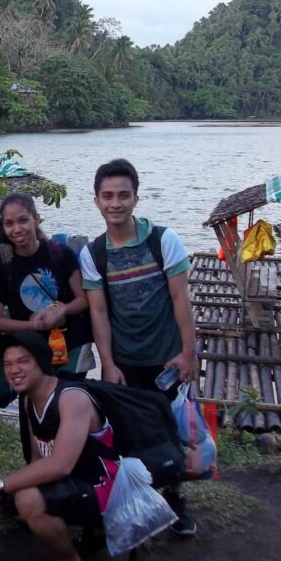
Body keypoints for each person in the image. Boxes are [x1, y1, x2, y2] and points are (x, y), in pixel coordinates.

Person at [78, 158, 198, 536]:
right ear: (96, 201)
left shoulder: (163, 240)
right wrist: (108, 363)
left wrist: (188, 352)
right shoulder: (94, 254)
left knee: (173, 431)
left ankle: (176, 498)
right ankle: (136, 499)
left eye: (123, 195)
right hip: (124, 361)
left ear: (136, 198)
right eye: (108, 196)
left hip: (166, 359)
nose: (116, 203)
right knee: (127, 432)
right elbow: (98, 311)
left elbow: (181, 299)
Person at [0, 332, 118, 561]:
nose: (14, 370)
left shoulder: (71, 398)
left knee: (27, 499)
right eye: (7, 364)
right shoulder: (31, 398)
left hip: (105, 486)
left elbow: (60, 465)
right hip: (79, 481)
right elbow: (38, 460)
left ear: (42, 361)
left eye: (23, 361)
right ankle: (92, 534)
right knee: (16, 500)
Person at [0, 192, 95, 378]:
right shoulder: (3, 267)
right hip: (31, 349)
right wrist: (33, 326)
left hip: (72, 345)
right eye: (9, 224)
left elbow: (82, 300)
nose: (17, 229)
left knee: (70, 397)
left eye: (23, 220)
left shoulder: (61, 254)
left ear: (36, 220)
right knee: (34, 404)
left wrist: (62, 310)